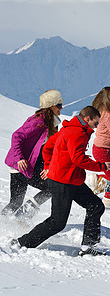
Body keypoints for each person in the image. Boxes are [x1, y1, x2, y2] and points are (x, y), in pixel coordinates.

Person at [12, 106, 110, 256]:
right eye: (95, 123)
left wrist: (47, 166)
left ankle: (87, 247)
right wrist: (101, 166)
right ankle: (22, 242)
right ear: (87, 119)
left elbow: (47, 147)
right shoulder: (77, 132)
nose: (96, 126)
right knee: (57, 222)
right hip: (62, 182)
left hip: (73, 179)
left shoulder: (68, 129)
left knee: (96, 206)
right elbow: (78, 159)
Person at [1, 89, 63, 221]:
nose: (61, 108)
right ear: (50, 105)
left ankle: (10, 220)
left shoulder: (52, 122)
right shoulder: (38, 120)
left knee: (15, 202)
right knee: (52, 187)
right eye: (58, 105)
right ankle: (21, 217)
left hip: (31, 164)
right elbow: (16, 136)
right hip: (21, 165)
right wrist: (19, 158)